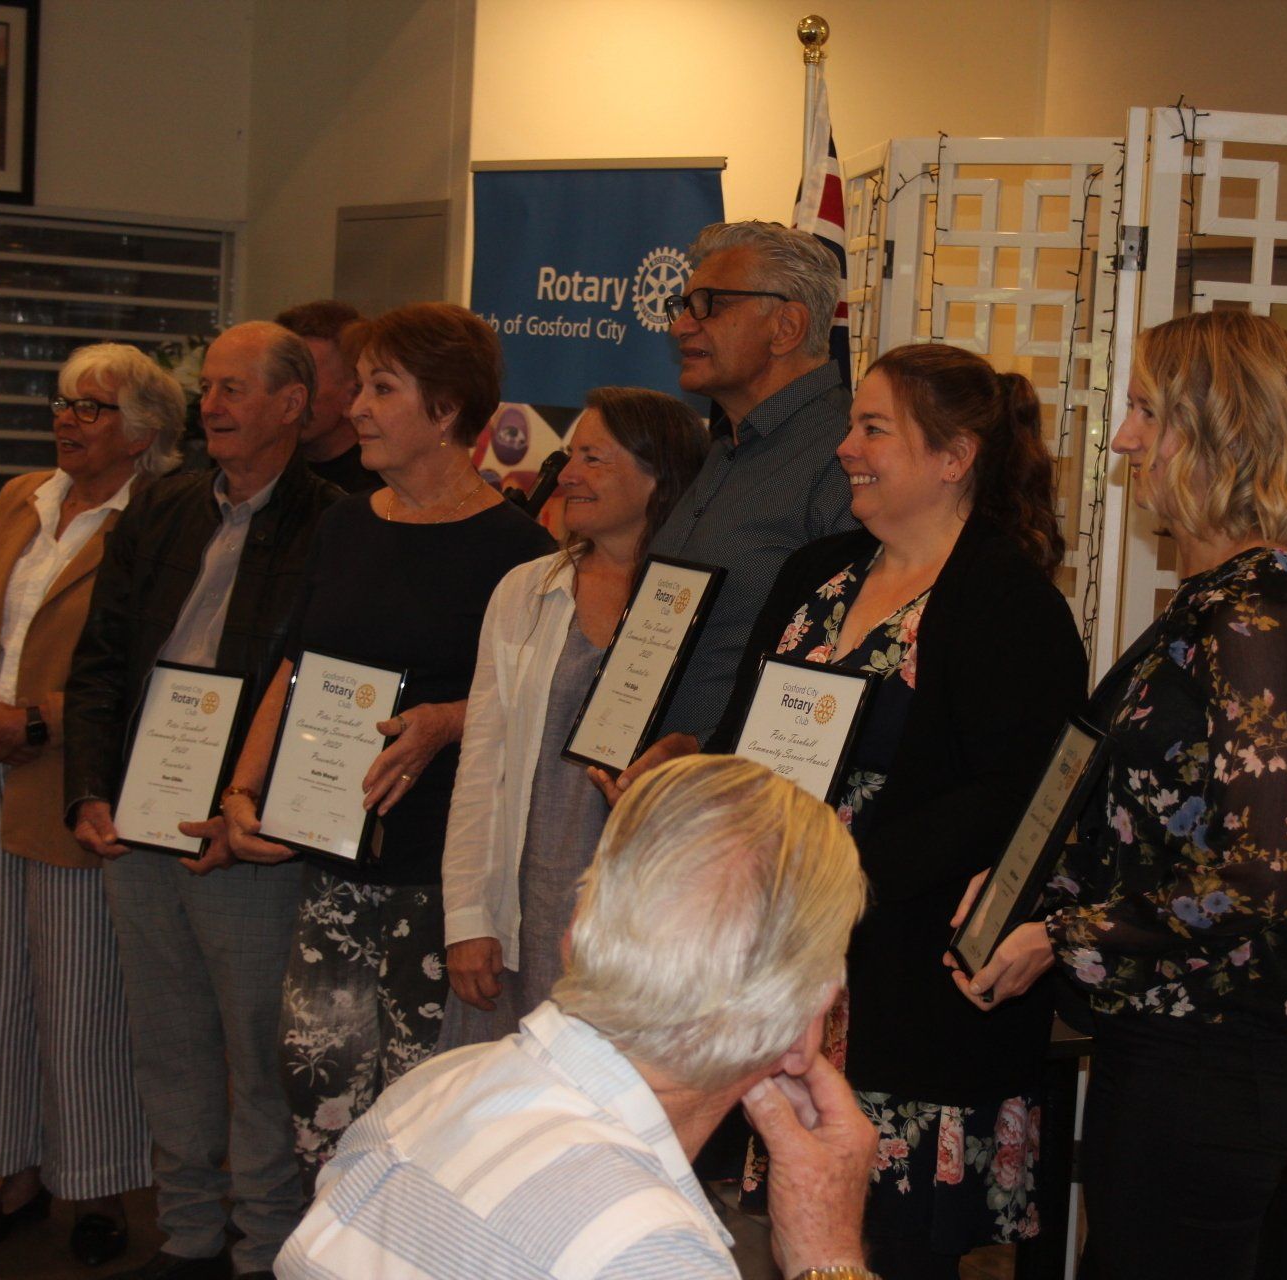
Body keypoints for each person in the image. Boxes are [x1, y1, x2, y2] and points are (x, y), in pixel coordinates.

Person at [957, 310, 1287, 1279]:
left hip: (1218, 1055)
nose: (1123, 436)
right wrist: (1025, 892)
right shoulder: (1218, 601)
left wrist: (1063, 932)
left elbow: (1258, 878)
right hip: (1173, 1045)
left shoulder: (1258, 615)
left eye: (1144, 410)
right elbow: (1148, 824)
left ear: (1221, 429)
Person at [708, 342, 1086, 1278]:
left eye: (874, 428)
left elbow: (1012, 797)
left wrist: (848, 874)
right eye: (852, 426)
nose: (845, 448)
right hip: (784, 969)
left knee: (889, 1251)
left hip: (909, 988)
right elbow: (741, 733)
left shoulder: (1009, 604)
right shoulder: (816, 575)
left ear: (953, 457)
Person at [277, 755, 882, 1280]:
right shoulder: (647, 1249)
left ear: (572, 936)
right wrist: (825, 1251)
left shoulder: (432, 1087)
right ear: (808, 1026)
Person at [196, 303, 555, 1178]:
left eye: (380, 388)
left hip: (440, 880)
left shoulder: (519, 550)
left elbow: (540, 704)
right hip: (331, 870)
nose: (352, 406)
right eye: (357, 385)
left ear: (445, 412)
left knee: (421, 1116)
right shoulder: (347, 522)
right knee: (316, 1089)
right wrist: (241, 794)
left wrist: (447, 721)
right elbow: (293, 667)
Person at [62, 320, 344, 1280]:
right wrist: (88, 790)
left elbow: (322, 682)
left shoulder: (335, 520)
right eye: (207, 389)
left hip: (242, 828)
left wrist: (252, 800)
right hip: (139, 816)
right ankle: (186, 1237)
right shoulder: (164, 506)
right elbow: (99, 660)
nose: (209, 407)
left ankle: (262, 1248)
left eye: (232, 389)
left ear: (292, 406)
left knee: (258, 1057)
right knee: (167, 1041)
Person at [0, 344, 183, 1266]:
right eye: (64, 402)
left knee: (82, 1002)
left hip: (73, 784)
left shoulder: (156, 520)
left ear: (143, 433)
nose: (67, 420)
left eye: (91, 407)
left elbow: (144, 666)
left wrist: (33, 725)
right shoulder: (23, 498)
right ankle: (15, 1175)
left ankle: (100, 1191)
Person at [440, 386, 708, 1045]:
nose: (569, 475)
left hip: (648, 925)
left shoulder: (703, 601)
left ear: (658, 476)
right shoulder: (526, 591)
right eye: (570, 455)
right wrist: (468, 917)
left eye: (596, 458)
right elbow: (483, 761)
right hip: (528, 919)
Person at [612, 221, 857, 776]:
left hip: (744, 804)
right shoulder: (727, 447)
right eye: (683, 304)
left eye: (709, 305)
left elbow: (837, 664)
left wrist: (706, 751)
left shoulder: (847, 453)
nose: (680, 326)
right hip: (661, 791)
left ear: (786, 325)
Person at [275, 299, 376, 493]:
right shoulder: (262, 474)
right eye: (278, 377)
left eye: (303, 377)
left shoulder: (385, 486)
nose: (285, 394)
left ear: (355, 393)